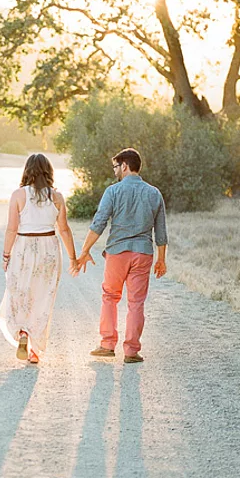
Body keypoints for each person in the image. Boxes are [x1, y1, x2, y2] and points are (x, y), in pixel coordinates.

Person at [77, 148, 167, 364]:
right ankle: (131, 351)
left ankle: (107, 344)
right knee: (136, 303)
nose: (115, 171)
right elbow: (161, 232)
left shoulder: (113, 191)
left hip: (118, 252)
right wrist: (161, 260)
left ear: (125, 166)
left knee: (110, 296)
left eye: (116, 166)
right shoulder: (154, 193)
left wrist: (85, 250)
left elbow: (99, 223)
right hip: (143, 253)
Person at [0, 153, 79, 364]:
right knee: (43, 298)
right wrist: (73, 258)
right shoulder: (57, 197)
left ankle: (22, 332)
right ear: (48, 172)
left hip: (23, 248)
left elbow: (11, 229)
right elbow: (65, 230)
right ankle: (34, 350)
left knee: (20, 293)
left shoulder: (18, 195)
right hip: (49, 249)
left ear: (27, 171)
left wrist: (6, 255)